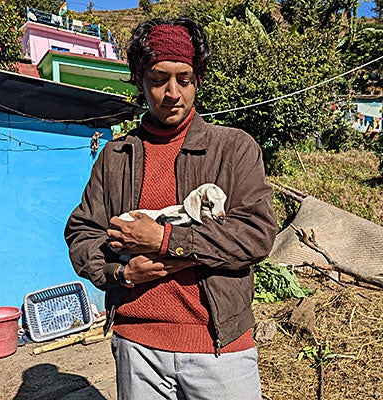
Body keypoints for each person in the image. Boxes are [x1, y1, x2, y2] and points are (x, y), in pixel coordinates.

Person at [64, 17, 276, 400]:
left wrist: (166, 238)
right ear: (140, 81)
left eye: (185, 79)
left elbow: (257, 235)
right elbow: (82, 233)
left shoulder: (234, 149)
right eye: (159, 79)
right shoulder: (116, 156)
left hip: (218, 348)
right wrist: (122, 271)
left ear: (198, 80)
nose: (172, 93)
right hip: (137, 348)